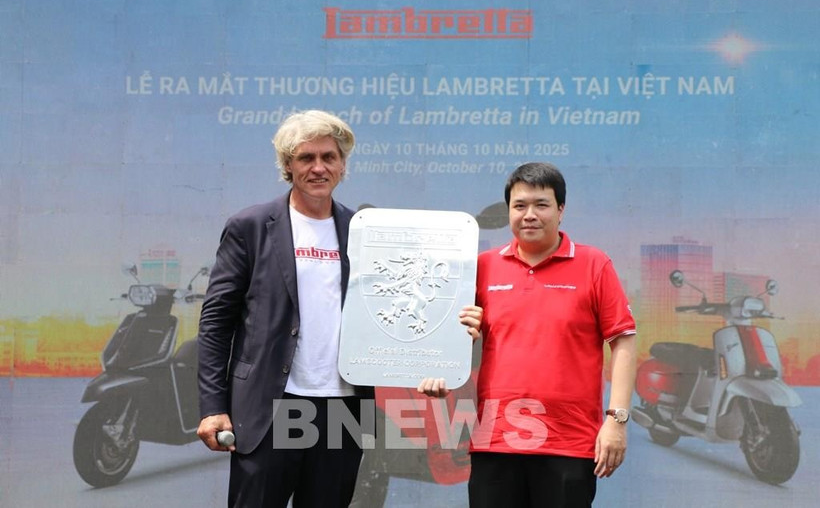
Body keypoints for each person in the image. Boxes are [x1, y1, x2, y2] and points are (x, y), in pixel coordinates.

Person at [419, 162, 637, 508]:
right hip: (495, 440)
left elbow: (623, 341)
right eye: (520, 206)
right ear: (508, 211)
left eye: (541, 205)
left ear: (561, 210)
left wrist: (617, 420)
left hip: (568, 441)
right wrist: (437, 371)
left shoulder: (594, 264)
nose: (529, 215)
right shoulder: (482, 267)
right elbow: (451, 339)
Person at [197, 110, 374, 507]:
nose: (318, 167)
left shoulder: (364, 231)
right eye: (305, 158)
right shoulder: (251, 226)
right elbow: (215, 323)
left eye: (329, 157)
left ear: (343, 165)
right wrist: (213, 408)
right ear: (287, 165)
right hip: (270, 406)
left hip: (342, 409)